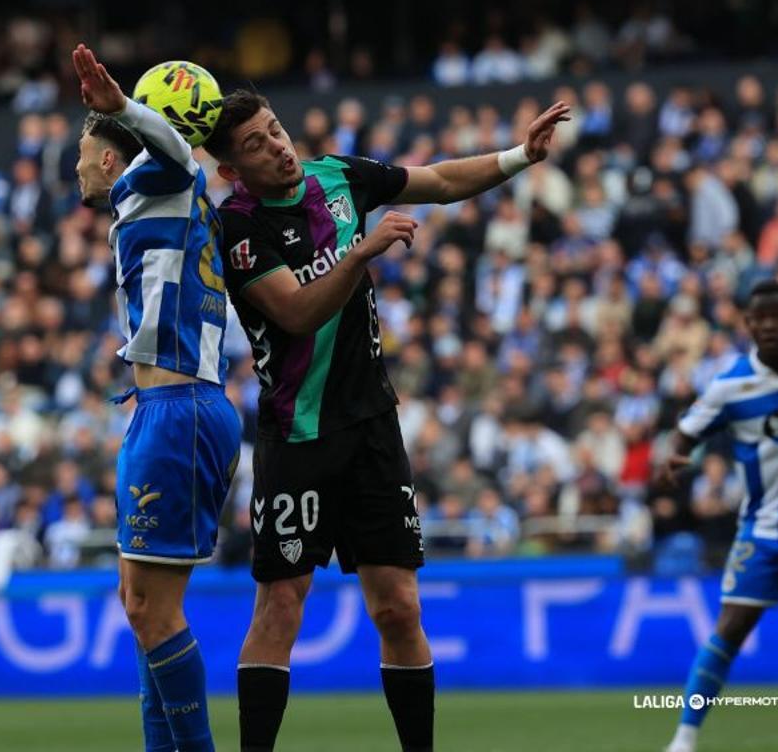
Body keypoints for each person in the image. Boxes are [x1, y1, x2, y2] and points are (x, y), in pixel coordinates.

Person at [202, 90, 569, 751]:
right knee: (281, 605)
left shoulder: (337, 177)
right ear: (233, 170)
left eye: (275, 130)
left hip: (372, 427)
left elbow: (439, 179)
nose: (278, 146)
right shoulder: (238, 227)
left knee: (398, 607)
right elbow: (296, 313)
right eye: (255, 145)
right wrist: (361, 253)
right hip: (297, 435)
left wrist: (520, 156)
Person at [71, 44, 241, 752]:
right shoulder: (152, 197)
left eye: (84, 147)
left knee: (151, 609)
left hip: (179, 408)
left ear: (112, 155)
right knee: (141, 607)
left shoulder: (158, 176)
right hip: (166, 408)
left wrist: (122, 112)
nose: (77, 162)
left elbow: (178, 153)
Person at [661, 280, 778, 752]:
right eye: (758, 318)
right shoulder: (731, 385)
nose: (768, 326)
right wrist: (677, 456)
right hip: (763, 531)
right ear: (747, 324)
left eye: (777, 316)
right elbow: (686, 432)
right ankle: (684, 738)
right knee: (730, 631)